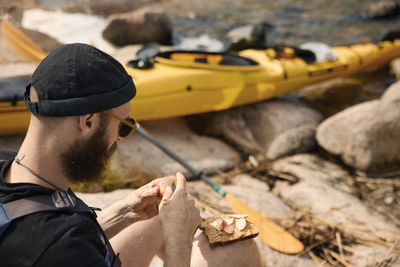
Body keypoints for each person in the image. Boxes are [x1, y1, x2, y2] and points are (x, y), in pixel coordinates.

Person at [0, 43, 261, 266]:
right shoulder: (61, 249)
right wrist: (177, 240)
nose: (120, 139)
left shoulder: (11, 168)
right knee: (236, 249)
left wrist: (123, 213)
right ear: (87, 122)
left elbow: (53, 234)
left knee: (155, 218)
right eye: (123, 126)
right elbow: (58, 246)